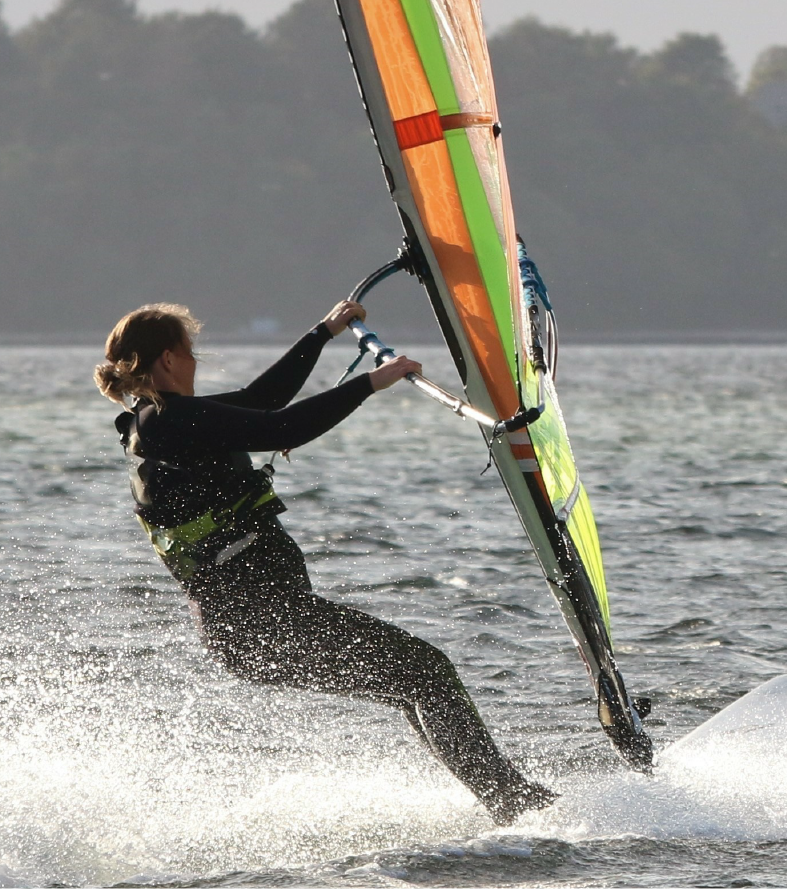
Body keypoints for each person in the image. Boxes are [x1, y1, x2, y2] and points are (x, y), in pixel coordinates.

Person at [97, 297, 555, 822]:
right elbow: (283, 427)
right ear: (169, 360)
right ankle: (516, 803)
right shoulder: (166, 424)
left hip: (256, 625)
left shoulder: (165, 421)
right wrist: (371, 383)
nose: (197, 360)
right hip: (261, 623)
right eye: (191, 350)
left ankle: (509, 802)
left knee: (414, 683)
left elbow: (260, 399)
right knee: (426, 672)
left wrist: (324, 332)